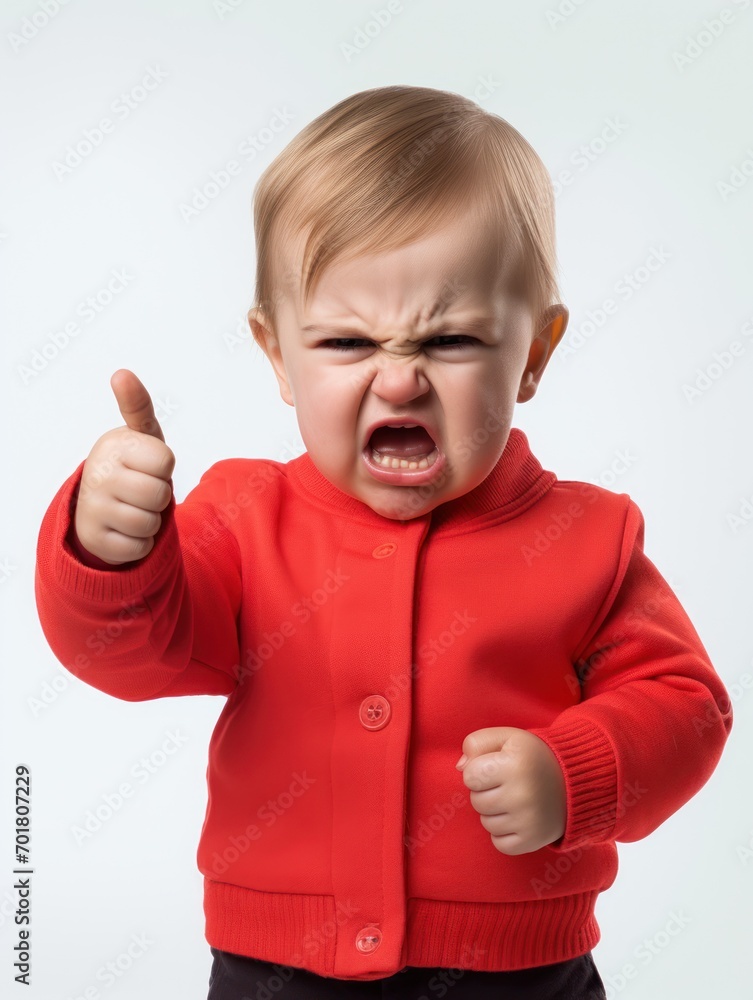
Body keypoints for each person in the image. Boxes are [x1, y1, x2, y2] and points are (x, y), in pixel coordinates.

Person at [34, 85, 733, 1000]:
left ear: (533, 353)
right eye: (345, 342)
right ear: (277, 354)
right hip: (277, 970)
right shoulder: (243, 518)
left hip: (518, 972)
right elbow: (132, 655)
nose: (398, 380)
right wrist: (109, 551)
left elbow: (685, 706)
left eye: (450, 339)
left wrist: (579, 772)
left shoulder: (587, 538)